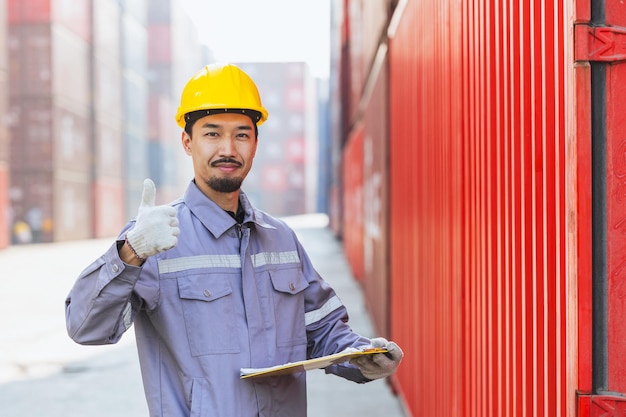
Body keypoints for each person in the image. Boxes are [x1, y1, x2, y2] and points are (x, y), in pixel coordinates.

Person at [65, 63, 403, 416]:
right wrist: (131, 251)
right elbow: (85, 327)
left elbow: (323, 329)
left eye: (241, 134)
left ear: (255, 143)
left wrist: (362, 357)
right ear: (187, 142)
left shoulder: (282, 240)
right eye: (212, 134)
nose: (228, 148)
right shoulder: (155, 240)